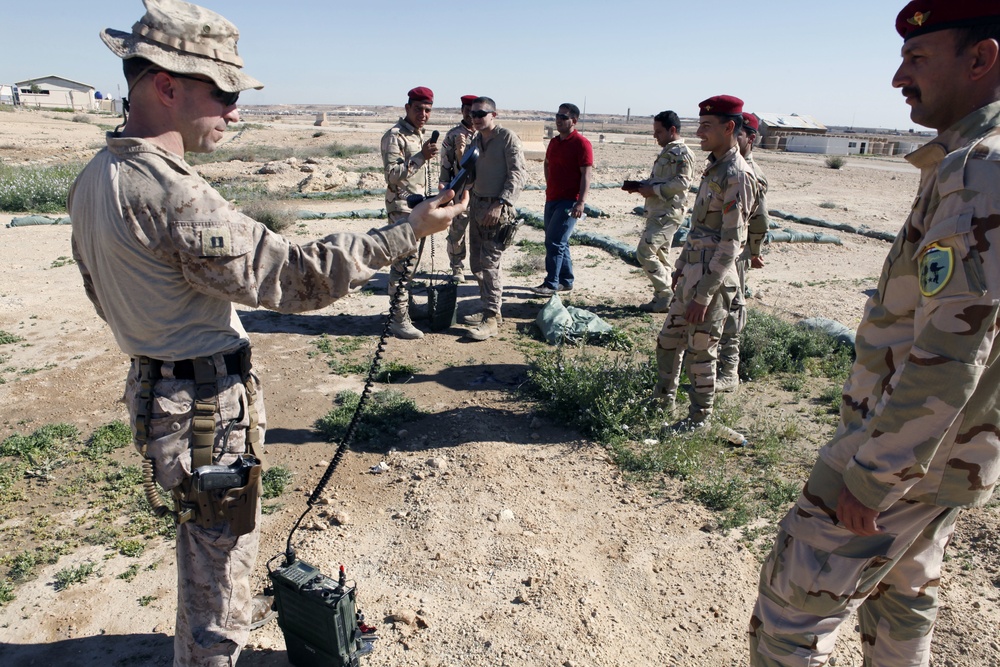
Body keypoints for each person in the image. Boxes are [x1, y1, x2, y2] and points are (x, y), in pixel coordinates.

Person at [67, 2, 465, 664]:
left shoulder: (93, 179)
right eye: (223, 93)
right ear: (167, 84)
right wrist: (407, 233)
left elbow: (101, 296)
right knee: (222, 604)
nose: (234, 110)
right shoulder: (171, 194)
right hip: (203, 414)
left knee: (200, 572)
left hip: (160, 397)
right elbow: (294, 277)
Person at [749, 3, 1000, 665]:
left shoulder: (980, 167)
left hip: (905, 458)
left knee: (789, 618)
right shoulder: (969, 160)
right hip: (949, 452)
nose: (897, 77)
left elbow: (954, 342)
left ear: (981, 60)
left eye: (917, 59)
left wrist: (873, 474)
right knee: (901, 599)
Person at [652, 96, 753, 438]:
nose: (699, 132)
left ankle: (699, 419)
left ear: (729, 128)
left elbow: (731, 242)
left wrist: (705, 295)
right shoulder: (715, 168)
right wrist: (680, 265)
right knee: (667, 341)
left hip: (711, 283)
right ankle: (661, 401)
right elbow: (698, 228)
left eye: (707, 126)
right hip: (691, 275)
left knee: (701, 352)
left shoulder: (737, 175)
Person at [461, 96, 526, 341]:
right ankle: (492, 310)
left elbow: (518, 175)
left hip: (497, 209)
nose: (475, 118)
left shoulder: (507, 138)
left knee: (489, 264)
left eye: (481, 114)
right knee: (477, 265)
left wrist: (501, 204)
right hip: (478, 205)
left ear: (493, 115)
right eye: (472, 114)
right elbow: (469, 174)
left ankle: (490, 317)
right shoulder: (475, 140)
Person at [716, 111, 770, 392]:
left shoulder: (749, 173)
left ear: (750, 138)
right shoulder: (724, 165)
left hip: (735, 251)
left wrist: (755, 250)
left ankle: (730, 371)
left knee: (733, 306)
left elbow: (760, 218)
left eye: (738, 135)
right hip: (720, 247)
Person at [380, 86, 439, 339]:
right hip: (402, 210)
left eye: (427, 110)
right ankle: (397, 318)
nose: (423, 114)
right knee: (403, 263)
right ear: (407, 108)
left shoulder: (418, 135)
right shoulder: (396, 136)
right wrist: (421, 157)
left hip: (419, 209)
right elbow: (392, 176)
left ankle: (405, 306)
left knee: (412, 265)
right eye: (418, 109)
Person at [624, 110, 695, 313]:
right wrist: (641, 186)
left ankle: (667, 293)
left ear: (672, 130)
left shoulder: (681, 153)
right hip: (659, 211)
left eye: (659, 132)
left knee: (645, 252)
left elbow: (683, 182)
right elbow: (664, 180)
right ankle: (662, 300)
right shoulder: (669, 151)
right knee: (661, 256)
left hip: (668, 212)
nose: (655, 136)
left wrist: (653, 190)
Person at [531, 102, 593, 296]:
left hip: (570, 201)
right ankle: (566, 280)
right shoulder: (554, 142)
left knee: (554, 241)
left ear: (574, 121)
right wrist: (550, 184)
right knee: (560, 241)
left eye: (563, 117)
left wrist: (580, 202)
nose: (559, 120)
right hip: (552, 198)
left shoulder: (582, 144)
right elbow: (547, 164)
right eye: (557, 116)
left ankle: (551, 283)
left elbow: (586, 175)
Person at [439, 94, 478, 284]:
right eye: (467, 110)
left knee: (480, 234)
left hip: (480, 191)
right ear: (462, 110)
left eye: (475, 111)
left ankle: (479, 269)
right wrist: (444, 188)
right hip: (460, 190)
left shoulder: (485, 134)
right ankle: (457, 267)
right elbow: (445, 165)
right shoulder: (453, 135)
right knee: (457, 233)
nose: (471, 115)